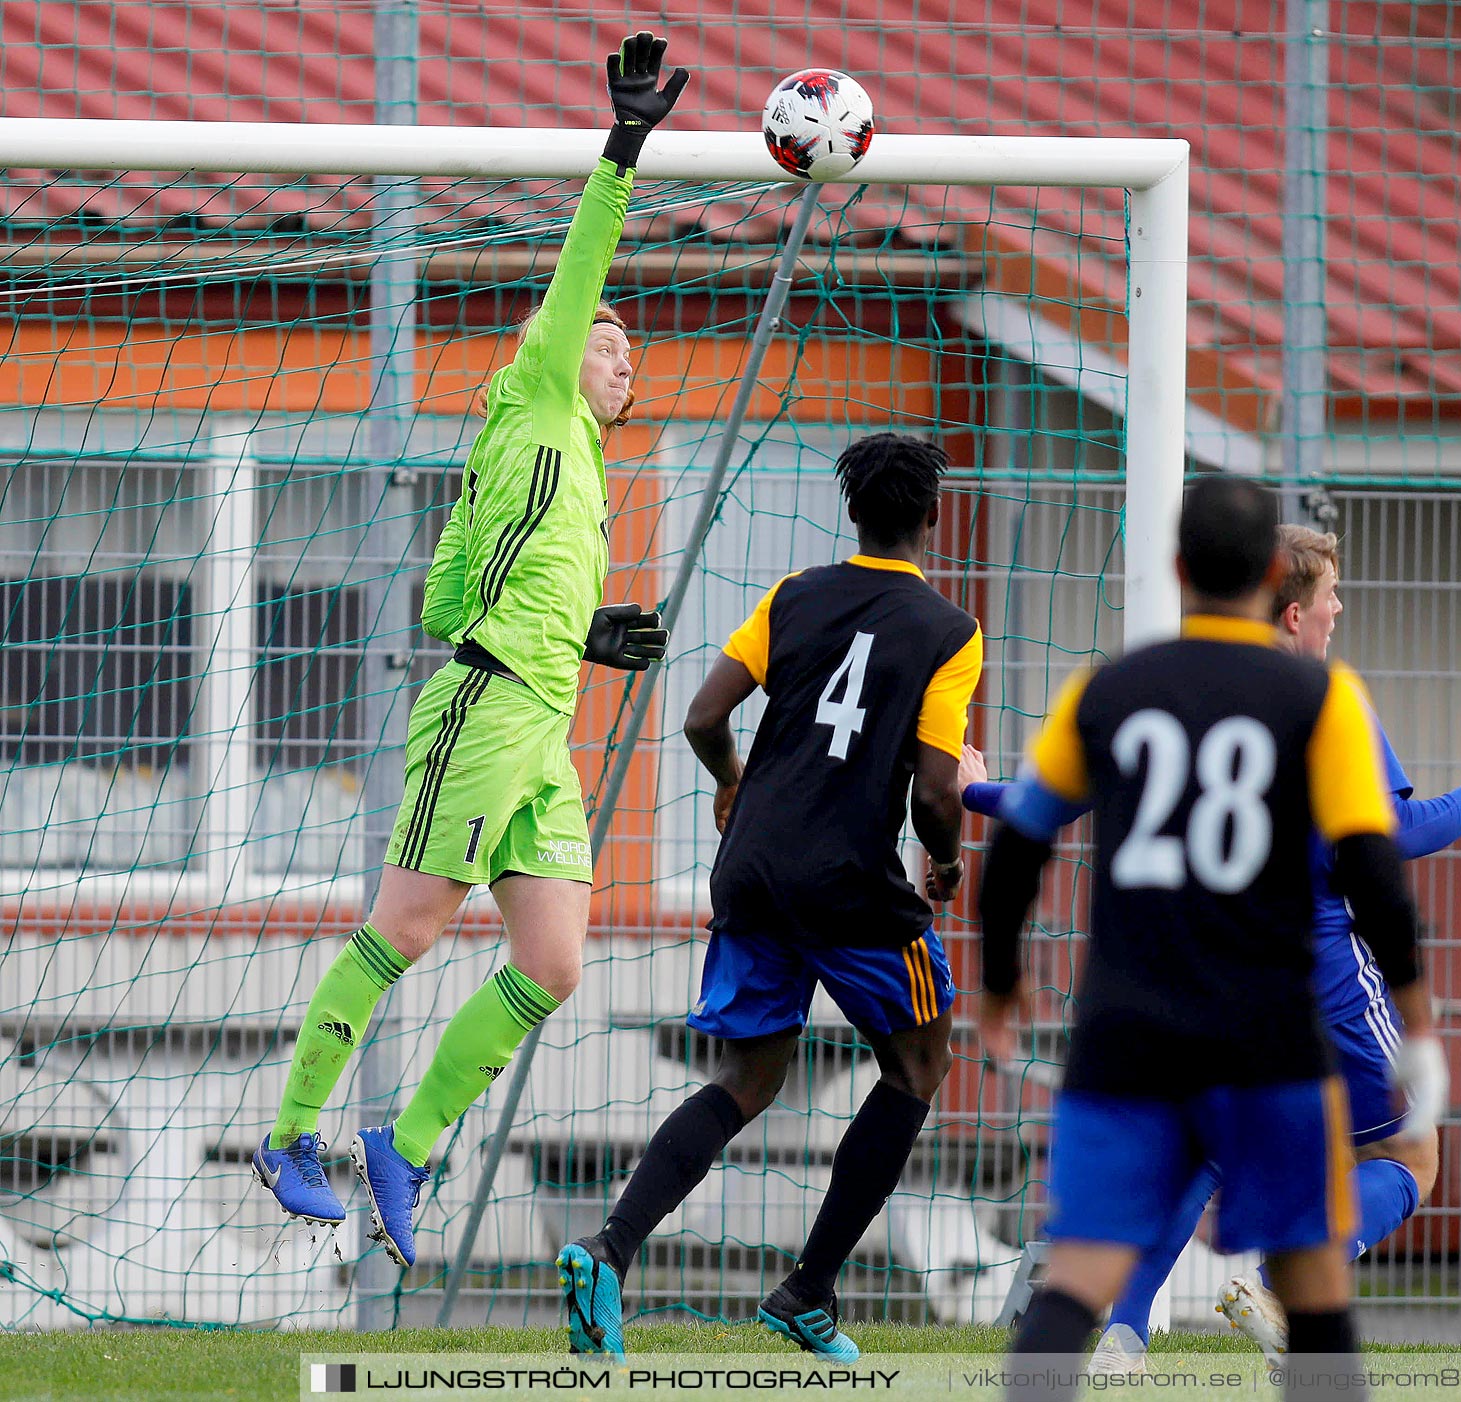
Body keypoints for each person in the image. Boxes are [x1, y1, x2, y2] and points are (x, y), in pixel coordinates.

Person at [250, 32, 684, 1270]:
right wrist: (626, 145)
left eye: (627, 351)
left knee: (551, 962)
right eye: (609, 342)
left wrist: (587, 631)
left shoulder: (567, 464)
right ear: (560, 348)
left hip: (540, 719)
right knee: (409, 928)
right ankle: (290, 1134)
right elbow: (584, 261)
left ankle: (409, 1142)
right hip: (486, 709)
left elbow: (449, 593)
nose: (623, 356)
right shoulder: (541, 390)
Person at [977, 476, 1446, 1402]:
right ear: (1277, 574)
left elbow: (1021, 840)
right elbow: (1376, 875)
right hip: (1268, 1032)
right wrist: (1420, 1023)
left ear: (1178, 568)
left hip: (1128, 1031)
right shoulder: (1324, 698)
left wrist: (999, 984)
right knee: (1312, 1280)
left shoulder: (1108, 690)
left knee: (1078, 1273)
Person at [557, 432, 985, 1363]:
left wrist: (730, 778)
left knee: (747, 1079)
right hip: (853, 885)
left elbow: (704, 716)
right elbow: (938, 794)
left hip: (752, 867)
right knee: (916, 1068)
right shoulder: (949, 631)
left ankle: (609, 1249)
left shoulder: (792, 595)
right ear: (931, 516)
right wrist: (944, 863)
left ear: (851, 513)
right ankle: (807, 1292)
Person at [1087, 526, 1461, 1368]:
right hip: (1324, 980)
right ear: (1296, 612)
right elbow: (1395, 834)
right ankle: (1279, 1287)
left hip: (1208, 976)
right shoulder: (1323, 697)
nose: (1341, 609)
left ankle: (1123, 1332)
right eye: (1333, 595)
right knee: (1413, 1155)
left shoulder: (1182, 690)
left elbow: (1085, 787)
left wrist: (976, 785)